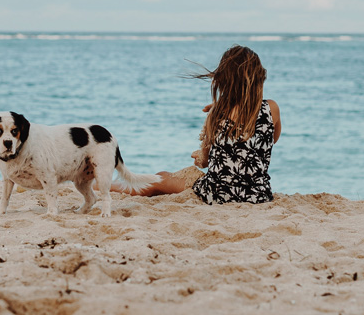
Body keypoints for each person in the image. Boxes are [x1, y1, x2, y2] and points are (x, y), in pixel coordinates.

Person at [116, 45, 281, 204]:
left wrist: (200, 156)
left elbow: (206, 162)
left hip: (218, 194)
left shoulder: (216, 114)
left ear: (223, 79)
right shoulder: (272, 108)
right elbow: (269, 142)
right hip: (259, 195)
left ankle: (101, 185)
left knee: (160, 178)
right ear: (258, 78)